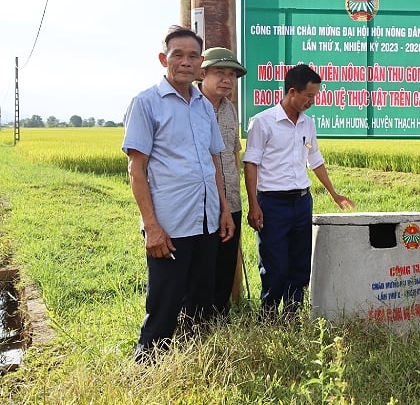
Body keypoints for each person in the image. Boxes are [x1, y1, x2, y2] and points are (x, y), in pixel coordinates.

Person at [122, 26, 235, 362]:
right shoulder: (146, 103)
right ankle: (147, 366)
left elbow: (214, 160)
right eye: (178, 55)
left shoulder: (203, 105)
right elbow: (136, 169)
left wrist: (224, 210)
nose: (186, 62)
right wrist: (151, 226)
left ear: (201, 63)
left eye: (192, 56)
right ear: (164, 59)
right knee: (165, 301)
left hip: (207, 220)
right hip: (170, 225)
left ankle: (191, 362)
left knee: (201, 299)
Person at [243, 64, 355, 319]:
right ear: (292, 91)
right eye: (309, 96)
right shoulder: (263, 122)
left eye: (315, 96)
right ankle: (269, 315)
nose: (311, 102)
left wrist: (334, 193)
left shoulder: (308, 124)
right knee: (275, 265)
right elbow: (251, 164)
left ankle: (292, 314)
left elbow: (315, 160)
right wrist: (254, 204)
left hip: (302, 202)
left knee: (300, 263)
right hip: (272, 203)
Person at [198, 47, 247, 316]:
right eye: (220, 72)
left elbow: (233, 153)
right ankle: (198, 322)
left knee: (226, 264)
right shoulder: (192, 107)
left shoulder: (230, 110)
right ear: (202, 74)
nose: (227, 79)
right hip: (203, 204)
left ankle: (220, 318)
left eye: (231, 74)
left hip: (232, 201)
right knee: (203, 267)